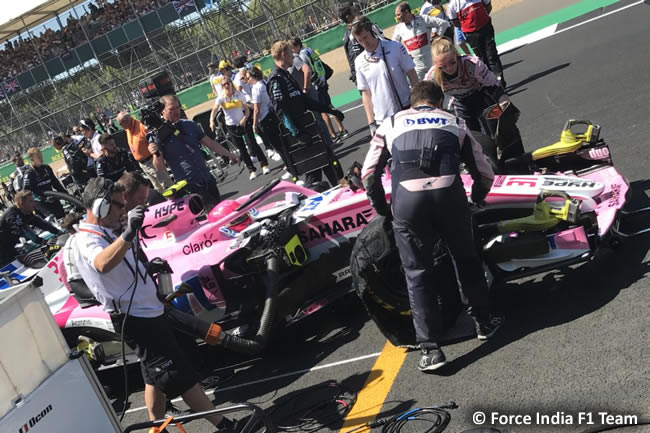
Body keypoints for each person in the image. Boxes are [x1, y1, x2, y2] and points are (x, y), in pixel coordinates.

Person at [360, 81, 504, 372]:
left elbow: (368, 175)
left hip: (408, 205)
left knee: (416, 274)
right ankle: (484, 322)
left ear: (411, 104)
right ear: (439, 102)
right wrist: (476, 198)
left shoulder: (389, 123)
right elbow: (485, 171)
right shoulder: (455, 122)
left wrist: (384, 211)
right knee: (466, 260)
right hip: (449, 198)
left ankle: (430, 349)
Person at [70, 178, 235, 428]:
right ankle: (226, 426)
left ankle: (155, 426)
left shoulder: (104, 232)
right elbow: (102, 263)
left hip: (148, 311)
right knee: (176, 374)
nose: (123, 210)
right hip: (135, 318)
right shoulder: (86, 240)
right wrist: (126, 234)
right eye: (118, 205)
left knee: (153, 375)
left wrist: (146, 266)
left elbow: (121, 270)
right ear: (101, 207)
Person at [425, 37, 524, 160]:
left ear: (456, 55)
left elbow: (493, 85)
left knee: (493, 132)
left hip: (481, 96)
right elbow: (426, 100)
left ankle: (504, 158)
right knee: (470, 137)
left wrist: (503, 101)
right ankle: (483, 164)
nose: (449, 69)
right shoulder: (432, 76)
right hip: (460, 102)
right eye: (442, 67)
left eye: (452, 63)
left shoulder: (471, 63)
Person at [268, 40, 341, 187]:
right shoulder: (276, 79)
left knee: (331, 164)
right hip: (300, 135)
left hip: (311, 129)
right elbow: (280, 111)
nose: (293, 56)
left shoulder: (286, 75)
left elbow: (304, 101)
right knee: (313, 172)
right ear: (284, 54)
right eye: (290, 53)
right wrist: (297, 134)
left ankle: (342, 192)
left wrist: (328, 109)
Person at [149, 94, 239, 209]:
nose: (176, 111)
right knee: (213, 210)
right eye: (171, 109)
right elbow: (159, 168)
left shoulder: (189, 125)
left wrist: (230, 154)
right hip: (189, 185)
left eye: (177, 107)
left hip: (207, 177)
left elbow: (210, 143)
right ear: (162, 112)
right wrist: (155, 154)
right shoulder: (157, 136)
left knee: (220, 208)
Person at [352, 17, 419, 135]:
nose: (364, 43)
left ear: (372, 31)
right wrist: (371, 123)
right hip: (382, 120)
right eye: (359, 40)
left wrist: (418, 102)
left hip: (406, 109)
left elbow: (412, 74)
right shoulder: (359, 61)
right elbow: (366, 93)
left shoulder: (395, 47)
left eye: (365, 37)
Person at [290, 37, 349, 143]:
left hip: (316, 84)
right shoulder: (309, 50)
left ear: (297, 46)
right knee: (329, 106)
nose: (292, 51)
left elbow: (308, 71)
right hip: (322, 81)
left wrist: (306, 86)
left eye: (292, 48)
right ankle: (342, 129)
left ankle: (333, 135)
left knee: (322, 111)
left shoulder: (302, 55)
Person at [213, 78, 269, 180]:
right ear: (222, 86)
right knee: (242, 149)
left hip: (243, 123)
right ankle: (251, 170)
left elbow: (246, 110)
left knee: (252, 143)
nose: (226, 85)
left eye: (228, 83)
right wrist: (211, 121)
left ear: (231, 84)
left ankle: (264, 164)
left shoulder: (239, 94)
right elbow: (215, 109)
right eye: (224, 84)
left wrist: (244, 118)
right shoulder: (221, 98)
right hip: (231, 126)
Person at [447, 0, 505, 86]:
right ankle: (490, 84)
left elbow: (488, 7)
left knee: (492, 55)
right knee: (481, 59)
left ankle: (500, 83)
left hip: (486, 29)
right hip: (471, 35)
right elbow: (455, 23)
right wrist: (468, 26)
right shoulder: (453, 5)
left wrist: (482, 18)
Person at [0, 190, 63, 265]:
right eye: (30, 201)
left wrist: (59, 232)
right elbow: (25, 231)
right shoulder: (14, 215)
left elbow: (41, 223)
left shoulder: (26, 212)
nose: (34, 204)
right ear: (21, 203)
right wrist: (43, 242)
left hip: (10, 245)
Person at [117, 111, 173, 194]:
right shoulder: (128, 129)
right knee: (157, 187)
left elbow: (154, 143)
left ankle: (175, 201)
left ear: (127, 120)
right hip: (143, 164)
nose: (120, 126)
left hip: (152, 161)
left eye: (121, 123)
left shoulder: (141, 126)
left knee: (166, 184)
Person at [393, 2, 450, 80]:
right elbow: (394, 44)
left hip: (432, 62)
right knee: (419, 89)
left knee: (440, 82)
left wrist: (437, 37)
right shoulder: (399, 28)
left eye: (398, 14)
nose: (397, 17)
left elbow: (444, 23)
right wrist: (404, 53)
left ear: (406, 12)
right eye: (396, 15)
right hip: (416, 67)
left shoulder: (423, 19)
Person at [248, 67, 288, 167]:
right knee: (281, 142)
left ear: (253, 77)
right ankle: (289, 164)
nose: (248, 80)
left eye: (249, 78)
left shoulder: (256, 88)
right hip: (272, 114)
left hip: (265, 118)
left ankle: (288, 166)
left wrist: (254, 124)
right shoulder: (264, 83)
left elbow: (257, 109)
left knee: (277, 145)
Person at [339, 2, 386, 86]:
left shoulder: (369, 25)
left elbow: (384, 42)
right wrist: (355, 74)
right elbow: (353, 58)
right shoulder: (349, 36)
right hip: (366, 75)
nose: (359, 11)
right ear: (348, 17)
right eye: (355, 11)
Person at [22, 147, 67, 219]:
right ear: (31, 159)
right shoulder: (29, 173)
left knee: (62, 215)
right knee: (52, 219)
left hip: (52, 198)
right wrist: (40, 200)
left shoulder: (47, 168)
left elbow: (56, 184)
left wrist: (66, 195)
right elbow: (26, 192)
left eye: (41, 155)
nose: (41, 158)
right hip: (40, 203)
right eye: (38, 157)